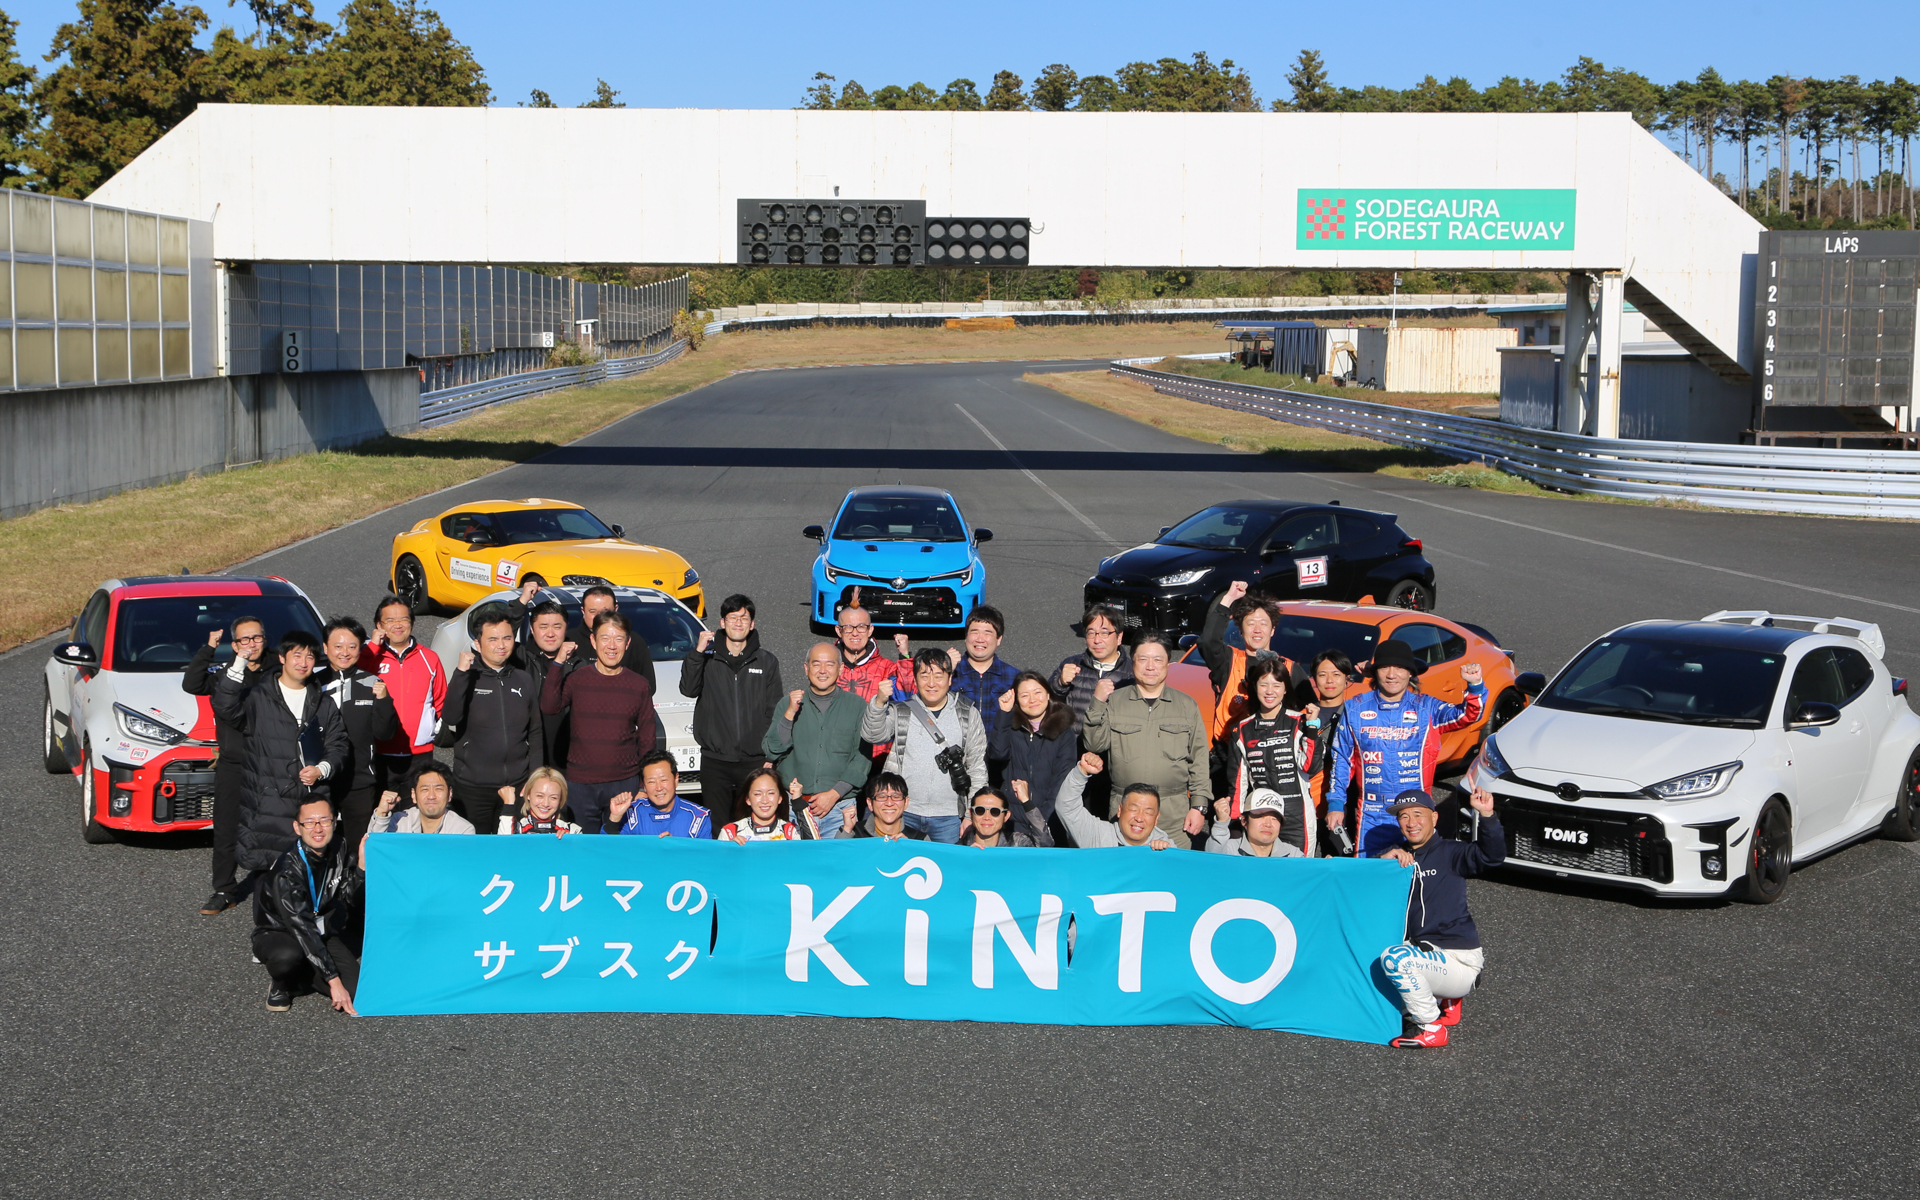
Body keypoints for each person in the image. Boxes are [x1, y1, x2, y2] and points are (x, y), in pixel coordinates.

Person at [1330, 639, 1486, 858]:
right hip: (1371, 813)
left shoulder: (1426, 707)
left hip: (1416, 813)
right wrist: (1335, 803)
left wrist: (1475, 685)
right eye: (1385, 667)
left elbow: (1469, 715)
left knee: (1417, 878)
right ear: (1375, 672)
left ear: (1411, 673)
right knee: (1369, 878)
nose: (1392, 674)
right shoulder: (1354, 708)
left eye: (1400, 668)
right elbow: (1341, 759)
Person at [215, 629, 350, 878]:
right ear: (282, 658)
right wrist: (239, 663)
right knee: (267, 874)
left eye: (310, 657)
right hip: (268, 801)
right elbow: (224, 706)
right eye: (296, 655)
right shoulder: (257, 697)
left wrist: (322, 769)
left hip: (310, 798)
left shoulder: (323, 702)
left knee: (310, 873)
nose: (303, 662)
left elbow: (339, 745)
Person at [1378, 786, 1504, 1049]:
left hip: (1459, 960)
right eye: (1403, 816)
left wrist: (1487, 815)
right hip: (1425, 954)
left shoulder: (1451, 852)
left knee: (1394, 960)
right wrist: (1381, 863)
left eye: (1417, 814)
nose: (1411, 823)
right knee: (1380, 999)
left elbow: (1492, 858)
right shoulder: (1397, 857)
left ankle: (1433, 1028)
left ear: (1434, 818)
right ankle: (1445, 1000)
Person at [183, 615, 278, 915]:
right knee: (225, 829)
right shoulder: (227, 672)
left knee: (271, 828)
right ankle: (224, 890)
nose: (251, 645)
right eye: (244, 640)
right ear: (235, 644)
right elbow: (192, 683)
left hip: (271, 763)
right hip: (233, 763)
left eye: (257, 638)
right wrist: (208, 648)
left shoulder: (280, 669)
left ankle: (274, 885)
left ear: (266, 638)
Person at [1081, 633, 1211, 849]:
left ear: (1168, 664)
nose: (1150, 666)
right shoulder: (1115, 701)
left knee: (1170, 875)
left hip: (1173, 812)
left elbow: (1199, 759)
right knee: (1126, 874)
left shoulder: (1187, 705)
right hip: (1126, 811)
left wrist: (1199, 806)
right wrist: (1097, 703)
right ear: (1133, 662)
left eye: (1158, 660)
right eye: (1143, 659)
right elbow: (1094, 745)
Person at [541, 611, 656, 834]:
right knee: (583, 849)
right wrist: (557, 663)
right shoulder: (577, 678)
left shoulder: (639, 685)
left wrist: (643, 783)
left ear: (628, 642)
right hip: (581, 785)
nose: (611, 646)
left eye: (618, 639)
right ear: (593, 641)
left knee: (619, 848)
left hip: (624, 783)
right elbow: (549, 706)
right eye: (605, 638)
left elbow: (647, 737)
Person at [861, 648, 989, 844]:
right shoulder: (902, 710)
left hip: (950, 816)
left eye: (938, 676)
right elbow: (873, 735)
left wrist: (972, 815)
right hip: (903, 812)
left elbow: (977, 767)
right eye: (924, 676)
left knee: (946, 870)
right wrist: (879, 702)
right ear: (915, 679)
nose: (931, 683)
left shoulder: (967, 713)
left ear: (949, 679)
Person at [252, 795, 364, 1014]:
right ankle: (282, 984)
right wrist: (333, 981)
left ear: (334, 822)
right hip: (282, 931)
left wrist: (361, 868)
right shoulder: (287, 871)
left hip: (320, 928)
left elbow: (351, 898)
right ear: (297, 827)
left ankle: (303, 972)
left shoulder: (339, 846)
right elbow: (300, 926)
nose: (318, 828)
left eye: (324, 820)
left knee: (355, 992)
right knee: (287, 957)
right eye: (310, 822)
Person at [680, 593, 783, 830]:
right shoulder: (706, 658)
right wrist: (697, 653)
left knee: (756, 824)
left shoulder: (767, 661)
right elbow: (688, 689)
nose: (738, 623)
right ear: (722, 622)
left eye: (744, 618)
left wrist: (770, 755)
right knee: (717, 826)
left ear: (752, 624)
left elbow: (774, 710)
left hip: (755, 760)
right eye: (732, 617)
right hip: (715, 761)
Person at [443, 601, 545, 835]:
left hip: (517, 786)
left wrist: (534, 778)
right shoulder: (467, 676)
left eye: (507, 638)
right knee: (474, 854)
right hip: (473, 787)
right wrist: (460, 674)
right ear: (477, 644)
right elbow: (450, 717)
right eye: (493, 639)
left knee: (513, 851)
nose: (501, 645)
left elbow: (535, 732)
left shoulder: (523, 679)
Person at [763, 643, 872, 838]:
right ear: (806, 668)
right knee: (795, 865)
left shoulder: (857, 706)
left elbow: (862, 758)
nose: (823, 671)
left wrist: (834, 794)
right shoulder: (787, 704)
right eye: (816, 664)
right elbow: (772, 750)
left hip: (840, 809)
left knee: (835, 866)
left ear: (840, 669)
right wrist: (789, 714)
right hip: (792, 807)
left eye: (830, 665)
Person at [312, 617, 400, 852]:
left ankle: (356, 888)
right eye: (338, 646)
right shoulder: (312, 683)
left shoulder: (373, 683)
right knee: (320, 843)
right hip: (321, 780)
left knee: (358, 845)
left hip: (360, 779)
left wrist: (384, 701)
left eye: (352, 646)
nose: (345, 653)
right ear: (325, 648)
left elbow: (384, 733)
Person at [1221, 654, 1321, 856]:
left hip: (1297, 814)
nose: (1269, 691)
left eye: (1276, 685)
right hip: (1260, 815)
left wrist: (1311, 727)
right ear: (1254, 687)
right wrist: (1233, 824)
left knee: (1298, 875)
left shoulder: (1300, 722)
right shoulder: (1241, 729)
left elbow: (1311, 766)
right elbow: (1238, 784)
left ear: (1285, 689)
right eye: (1263, 684)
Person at [359, 594, 447, 795]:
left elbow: (441, 701)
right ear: (378, 625)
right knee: (380, 818)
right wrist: (372, 646)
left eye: (404, 619)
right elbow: (351, 673)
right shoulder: (370, 657)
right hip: (378, 753)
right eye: (389, 620)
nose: (397, 625)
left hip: (419, 755)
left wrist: (429, 729)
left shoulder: (430, 659)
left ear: (412, 623)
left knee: (416, 820)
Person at [1199, 581, 1298, 746]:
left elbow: (1309, 711)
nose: (1257, 629)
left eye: (1263, 624)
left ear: (1273, 630)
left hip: (1276, 758)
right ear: (1240, 630)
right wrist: (1229, 598)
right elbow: (1208, 641)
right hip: (1230, 754)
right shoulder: (1228, 661)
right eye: (1251, 623)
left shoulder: (1289, 668)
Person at [990, 670, 1079, 844]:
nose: (1032, 700)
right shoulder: (1010, 726)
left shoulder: (1064, 732)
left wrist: (1041, 820)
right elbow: (998, 754)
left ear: (1047, 694)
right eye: (1024, 695)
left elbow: (1061, 781)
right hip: (1013, 820)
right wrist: (1004, 714)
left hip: (1049, 820)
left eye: (1037, 692)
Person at [506, 583, 574, 768]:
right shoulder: (519, 658)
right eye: (543, 626)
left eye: (557, 626)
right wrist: (522, 601)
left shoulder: (577, 663)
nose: (550, 633)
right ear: (533, 630)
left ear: (566, 629)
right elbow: (502, 633)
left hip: (566, 755)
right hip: (527, 753)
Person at [1052, 753, 1172, 850]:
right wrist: (1082, 771)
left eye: (1148, 812)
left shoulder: (1165, 847)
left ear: (1156, 818)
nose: (1139, 818)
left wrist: (1166, 856)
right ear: (1120, 810)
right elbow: (1067, 807)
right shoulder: (1099, 835)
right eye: (1134, 809)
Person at [1048, 604, 1134, 731]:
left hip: (1115, 748)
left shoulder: (1133, 672)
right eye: (1091, 633)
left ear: (1119, 637)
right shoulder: (1071, 664)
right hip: (1075, 746)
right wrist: (1060, 683)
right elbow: (1046, 704)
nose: (1097, 640)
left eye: (1104, 633)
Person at [566, 585, 657, 692]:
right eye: (592, 611)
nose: (598, 617)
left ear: (616, 609)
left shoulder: (634, 641)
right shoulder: (568, 640)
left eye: (605, 612)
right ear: (583, 611)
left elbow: (648, 686)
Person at [607, 751, 711, 837]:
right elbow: (607, 851)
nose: (659, 788)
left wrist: (677, 848)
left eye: (664, 780)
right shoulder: (632, 813)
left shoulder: (699, 818)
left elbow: (704, 858)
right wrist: (615, 818)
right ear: (644, 785)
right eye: (651, 782)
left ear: (676, 779)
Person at [945, 604, 1021, 715]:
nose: (980, 639)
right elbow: (924, 704)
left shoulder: (1013, 676)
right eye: (974, 632)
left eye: (987, 633)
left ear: (998, 639)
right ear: (966, 637)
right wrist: (945, 671)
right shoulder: (951, 670)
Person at [831, 603, 915, 703]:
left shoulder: (886, 668)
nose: (855, 633)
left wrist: (904, 656)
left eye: (861, 626)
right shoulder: (827, 665)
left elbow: (905, 695)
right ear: (839, 630)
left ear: (870, 630)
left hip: (873, 718)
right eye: (848, 627)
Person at [366, 764, 474, 834]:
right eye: (425, 789)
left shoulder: (463, 830)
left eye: (438, 789)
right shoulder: (399, 821)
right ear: (413, 795)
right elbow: (373, 847)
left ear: (449, 793)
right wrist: (381, 813)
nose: (431, 796)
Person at [1206, 789, 1304, 858]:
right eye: (1260, 816)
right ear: (1244, 821)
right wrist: (1221, 823)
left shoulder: (1294, 856)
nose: (1268, 824)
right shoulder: (1229, 850)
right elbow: (1211, 862)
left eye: (1274, 818)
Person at [718, 768, 801, 843]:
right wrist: (729, 849)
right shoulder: (730, 832)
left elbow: (812, 847)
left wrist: (799, 802)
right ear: (748, 799)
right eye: (757, 794)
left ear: (780, 798)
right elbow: (718, 859)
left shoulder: (790, 832)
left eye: (771, 793)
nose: (764, 800)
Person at [838, 772, 927, 841]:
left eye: (896, 797)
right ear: (870, 803)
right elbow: (834, 859)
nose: (889, 803)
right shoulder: (854, 834)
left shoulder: (919, 839)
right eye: (881, 797)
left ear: (906, 802)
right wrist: (847, 830)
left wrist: (910, 849)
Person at [958, 786, 1048, 848]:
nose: (987, 817)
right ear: (970, 813)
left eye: (995, 812)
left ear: (1006, 816)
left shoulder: (1017, 844)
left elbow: (1045, 845)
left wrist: (1026, 802)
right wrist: (966, 857)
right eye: (980, 810)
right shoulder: (957, 850)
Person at [508, 766, 582, 835]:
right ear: (528, 795)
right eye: (540, 796)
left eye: (553, 798)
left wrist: (568, 843)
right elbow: (504, 845)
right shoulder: (518, 829)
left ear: (560, 800)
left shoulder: (572, 831)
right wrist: (508, 806)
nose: (546, 804)